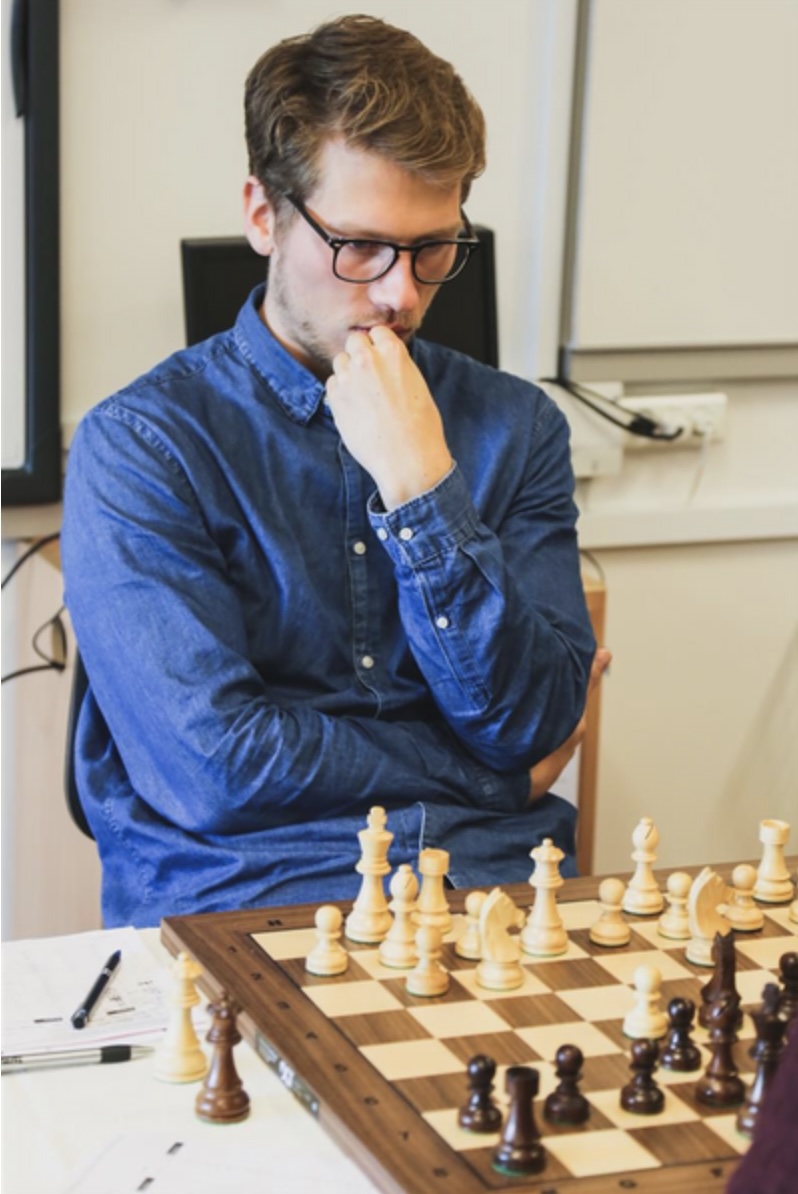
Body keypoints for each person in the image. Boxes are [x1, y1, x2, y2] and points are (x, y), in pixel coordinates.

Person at [62, 14, 607, 928]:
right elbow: (218, 768)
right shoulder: (141, 446)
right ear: (262, 216)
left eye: (435, 248)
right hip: (250, 896)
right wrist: (484, 777)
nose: (402, 293)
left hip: (488, 887)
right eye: (360, 246)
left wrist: (422, 487)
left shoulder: (518, 427)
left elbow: (533, 724)